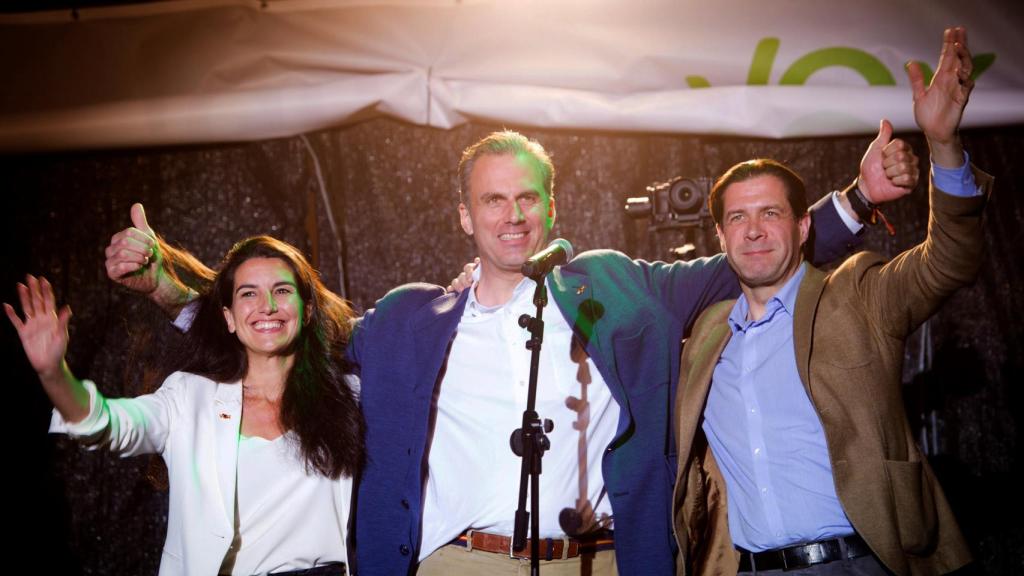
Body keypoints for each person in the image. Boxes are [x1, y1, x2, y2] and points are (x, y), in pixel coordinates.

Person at [105, 128, 918, 575]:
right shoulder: (410, 320)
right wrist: (170, 287)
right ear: (465, 217)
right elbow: (277, 326)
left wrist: (856, 200)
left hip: (599, 564)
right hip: (466, 567)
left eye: (527, 196)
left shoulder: (615, 285)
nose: (512, 215)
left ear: (552, 204)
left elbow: (747, 256)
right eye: (492, 200)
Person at [671, 27, 985, 576]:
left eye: (770, 213)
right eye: (737, 219)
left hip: (864, 563)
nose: (754, 231)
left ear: (802, 224)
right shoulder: (704, 336)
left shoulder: (858, 293)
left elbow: (951, 259)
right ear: (720, 238)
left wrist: (943, 144)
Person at [7, 236, 365, 576]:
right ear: (227, 317)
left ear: (307, 311)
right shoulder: (189, 396)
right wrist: (54, 373)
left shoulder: (349, 394)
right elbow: (110, 424)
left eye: (282, 290)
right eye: (248, 293)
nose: (267, 306)